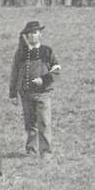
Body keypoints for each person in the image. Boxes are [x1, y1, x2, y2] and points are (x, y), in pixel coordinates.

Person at [8, 21, 61, 158]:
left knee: (44, 122)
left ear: (40, 34)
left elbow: (56, 70)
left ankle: (46, 152)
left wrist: (43, 79)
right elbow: (15, 73)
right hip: (25, 93)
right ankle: (31, 151)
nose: (33, 36)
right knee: (30, 123)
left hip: (42, 93)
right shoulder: (21, 53)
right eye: (30, 33)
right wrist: (13, 93)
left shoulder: (47, 51)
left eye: (35, 33)